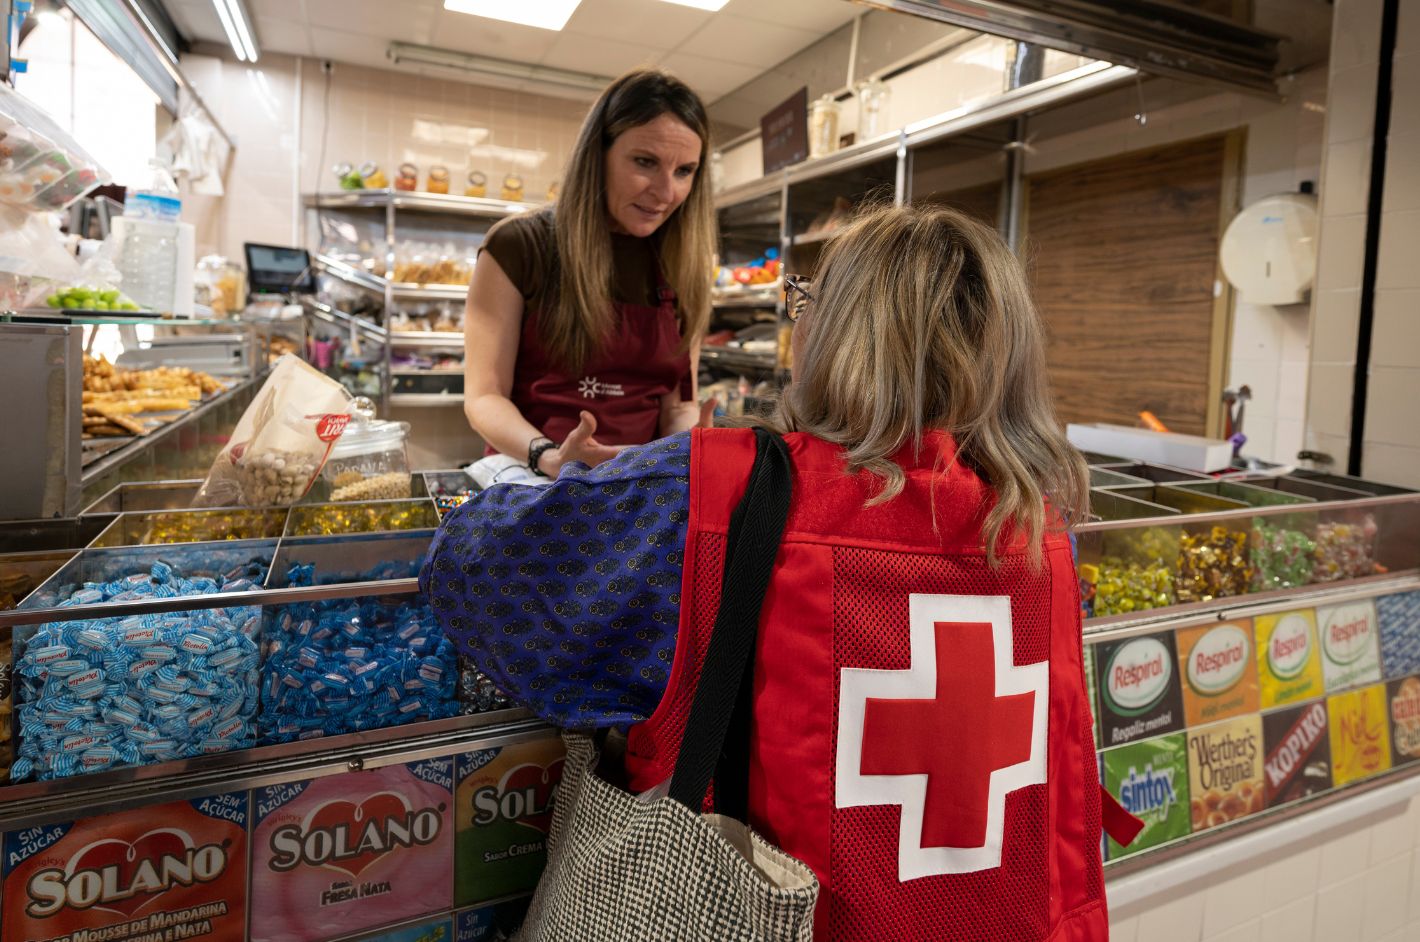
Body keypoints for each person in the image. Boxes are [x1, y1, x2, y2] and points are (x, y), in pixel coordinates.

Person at [424, 203, 1117, 940]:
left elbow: (472, 571)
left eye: (808, 299)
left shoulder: (716, 489)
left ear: (835, 333)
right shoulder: (1040, 526)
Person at [464, 69, 716, 479]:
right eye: (645, 162)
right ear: (598, 153)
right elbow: (484, 397)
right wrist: (550, 457)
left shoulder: (683, 265)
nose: (666, 193)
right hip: (532, 478)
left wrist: (688, 444)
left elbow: (677, 406)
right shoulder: (518, 246)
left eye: (685, 171)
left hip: (638, 485)